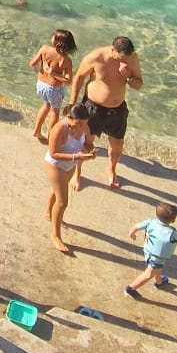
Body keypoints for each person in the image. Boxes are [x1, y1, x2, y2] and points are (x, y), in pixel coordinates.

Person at [69, 36, 143, 188]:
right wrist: (72, 104)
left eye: (127, 57)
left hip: (117, 111)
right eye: (120, 57)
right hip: (93, 108)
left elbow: (138, 85)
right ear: (112, 50)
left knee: (117, 145)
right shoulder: (96, 57)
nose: (123, 61)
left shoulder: (132, 59)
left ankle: (111, 169)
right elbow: (79, 77)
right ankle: (76, 173)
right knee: (85, 143)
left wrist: (128, 76)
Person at [43, 103, 98, 253]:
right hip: (56, 164)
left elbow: (87, 142)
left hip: (70, 164)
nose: (80, 126)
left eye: (83, 123)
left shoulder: (84, 126)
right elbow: (53, 152)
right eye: (78, 122)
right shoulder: (59, 129)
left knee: (56, 190)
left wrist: (90, 151)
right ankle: (55, 235)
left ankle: (48, 213)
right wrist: (77, 156)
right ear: (68, 117)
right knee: (62, 201)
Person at [124, 203, 177, 298]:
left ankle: (159, 282)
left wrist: (132, 234)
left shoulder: (150, 222)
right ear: (173, 219)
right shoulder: (173, 233)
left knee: (157, 269)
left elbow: (134, 228)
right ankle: (131, 288)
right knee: (148, 274)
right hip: (157, 257)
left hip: (148, 251)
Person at [30, 29, 76, 141]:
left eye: (53, 36)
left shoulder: (44, 49)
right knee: (55, 111)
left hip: (41, 85)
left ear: (57, 41)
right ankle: (52, 138)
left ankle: (36, 131)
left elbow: (32, 64)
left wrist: (42, 67)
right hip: (54, 89)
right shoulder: (66, 60)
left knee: (46, 105)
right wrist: (54, 73)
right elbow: (68, 81)